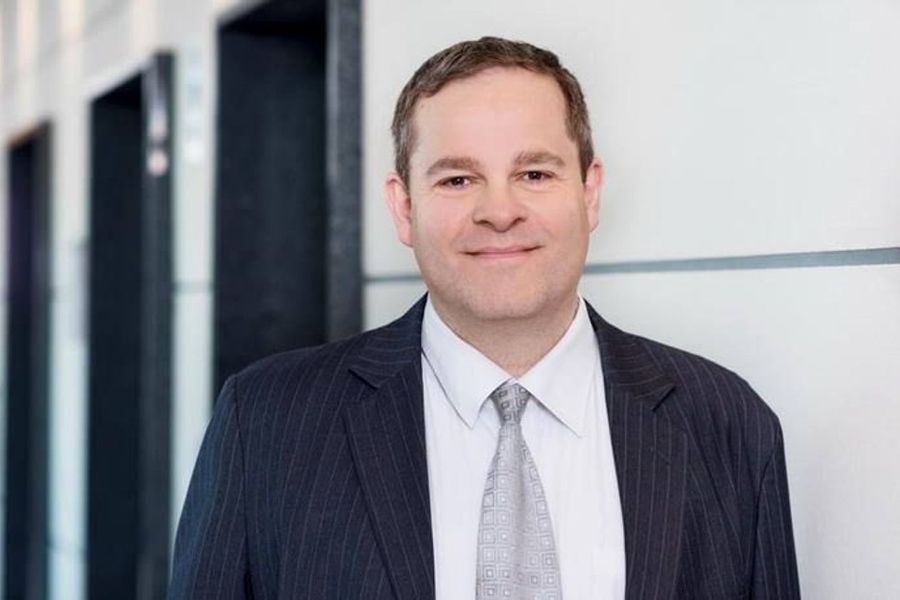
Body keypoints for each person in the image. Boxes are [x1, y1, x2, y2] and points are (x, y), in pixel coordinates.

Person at [169, 37, 801, 599]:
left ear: (589, 193)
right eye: (457, 180)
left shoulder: (727, 424)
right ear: (403, 207)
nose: (500, 212)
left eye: (534, 173)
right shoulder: (266, 424)